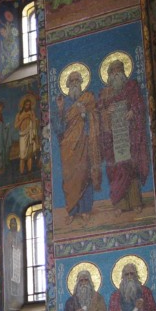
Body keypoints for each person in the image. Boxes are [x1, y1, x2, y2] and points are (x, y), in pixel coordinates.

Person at [97, 59, 149, 214]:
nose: (115, 73)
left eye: (118, 70)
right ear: (108, 75)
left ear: (123, 72)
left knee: (131, 167)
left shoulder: (131, 86)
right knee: (115, 170)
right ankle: (120, 204)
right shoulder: (105, 93)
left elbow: (139, 104)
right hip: (113, 137)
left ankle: (135, 202)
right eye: (112, 71)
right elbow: (100, 111)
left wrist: (133, 111)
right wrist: (107, 112)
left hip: (130, 133)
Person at [55, 70, 101, 222]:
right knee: (69, 178)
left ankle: (85, 209)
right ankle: (72, 210)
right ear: (68, 85)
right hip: (67, 147)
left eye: (77, 82)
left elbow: (95, 118)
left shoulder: (87, 98)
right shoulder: (65, 103)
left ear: (81, 83)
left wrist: (84, 114)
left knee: (84, 175)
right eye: (71, 82)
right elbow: (59, 129)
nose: (74, 84)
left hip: (83, 143)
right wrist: (61, 110)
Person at [14, 96, 39, 174]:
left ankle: (29, 171)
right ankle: (21, 172)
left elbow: (34, 123)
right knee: (22, 156)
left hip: (30, 135)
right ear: (23, 105)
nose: (28, 106)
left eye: (29, 105)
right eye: (26, 105)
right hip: (23, 135)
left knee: (29, 155)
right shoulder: (19, 114)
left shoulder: (31, 112)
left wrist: (32, 118)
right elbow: (16, 126)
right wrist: (23, 118)